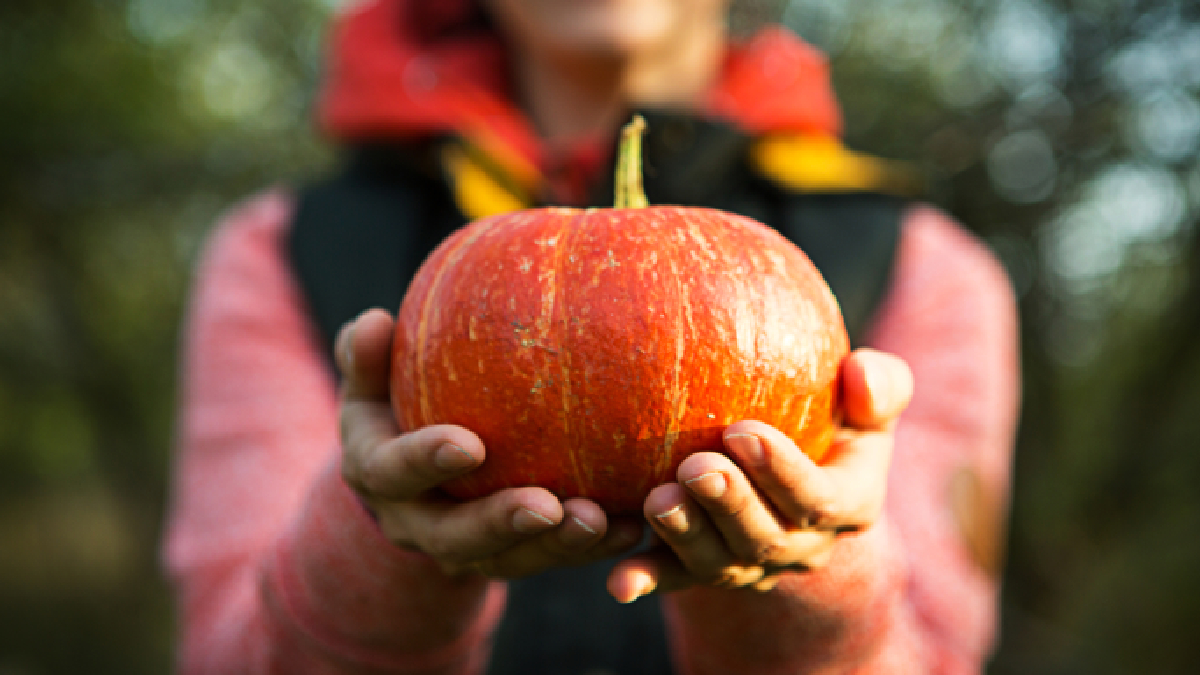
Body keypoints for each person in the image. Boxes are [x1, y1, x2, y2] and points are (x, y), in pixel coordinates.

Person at [163, 0, 1020, 673]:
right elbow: (223, 658)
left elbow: (938, 658)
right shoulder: (283, 247)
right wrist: (383, 542)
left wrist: (806, 584)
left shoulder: (922, 265)